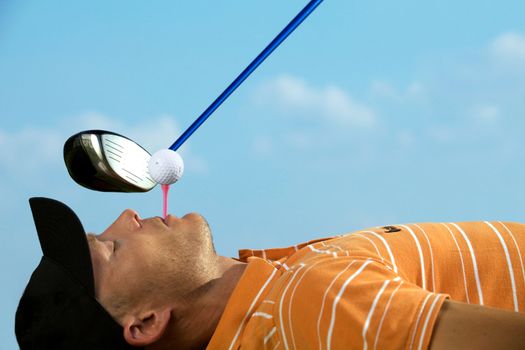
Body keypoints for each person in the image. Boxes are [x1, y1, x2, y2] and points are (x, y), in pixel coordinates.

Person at [16, 197, 525, 349]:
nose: (126, 215)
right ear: (146, 322)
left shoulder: (282, 305)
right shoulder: (309, 305)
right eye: (108, 249)